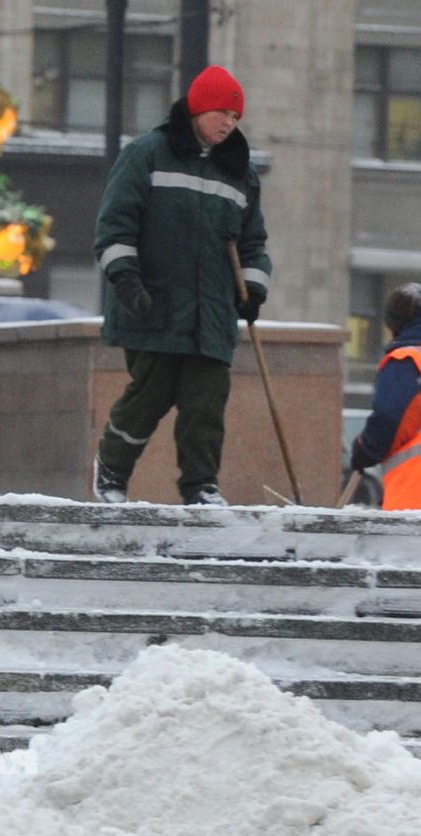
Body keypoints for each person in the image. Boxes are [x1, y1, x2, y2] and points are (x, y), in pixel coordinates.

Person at [92, 65, 272, 508]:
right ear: (197, 108)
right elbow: (115, 227)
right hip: (154, 305)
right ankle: (111, 469)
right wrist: (127, 280)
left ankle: (201, 486)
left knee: (205, 404)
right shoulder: (148, 154)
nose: (228, 123)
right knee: (150, 395)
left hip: (211, 313)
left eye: (235, 115)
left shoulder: (240, 174)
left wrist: (253, 289)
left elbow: (254, 243)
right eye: (221, 113)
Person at [349, 284, 421, 510]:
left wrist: (366, 448)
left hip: (413, 496)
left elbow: (390, 418)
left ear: (393, 325)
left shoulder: (407, 360)